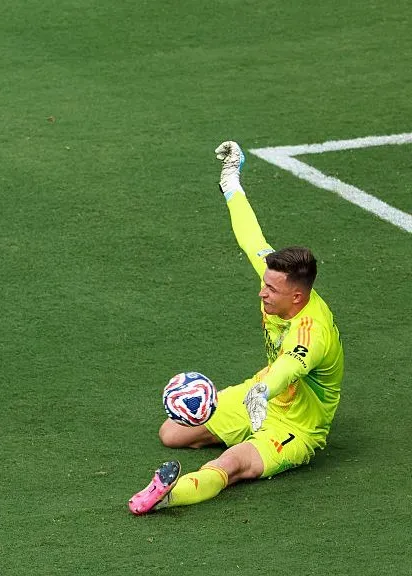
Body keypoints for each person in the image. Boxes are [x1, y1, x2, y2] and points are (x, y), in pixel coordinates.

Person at [128, 141, 345, 515]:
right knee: (172, 433)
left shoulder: (313, 332)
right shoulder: (279, 284)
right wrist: (231, 180)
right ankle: (233, 431)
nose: (261, 291)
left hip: (294, 427)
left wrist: (262, 392)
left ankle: (165, 495)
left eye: (271, 289)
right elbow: (251, 238)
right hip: (256, 398)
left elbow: (290, 366)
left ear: (296, 297)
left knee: (230, 465)